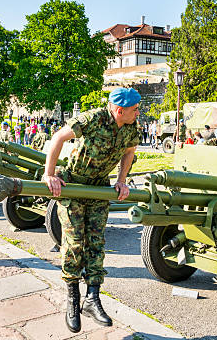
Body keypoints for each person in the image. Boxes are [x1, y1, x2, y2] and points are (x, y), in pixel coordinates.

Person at [42, 87, 141, 333]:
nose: (138, 113)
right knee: (74, 244)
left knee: (96, 243)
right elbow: (58, 138)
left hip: (98, 188)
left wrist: (122, 179)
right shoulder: (93, 118)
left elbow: (129, 152)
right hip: (74, 184)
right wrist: (49, 175)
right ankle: (73, 299)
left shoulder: (130, 127)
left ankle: (92, 299)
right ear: (119, 110)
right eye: (135, 109)